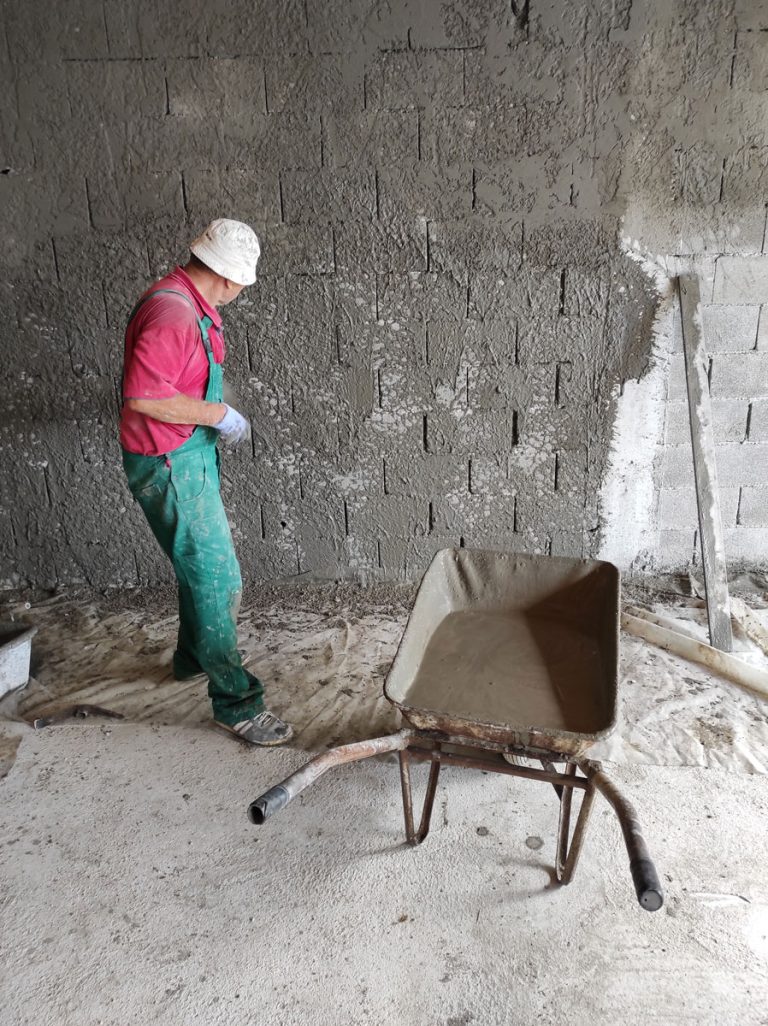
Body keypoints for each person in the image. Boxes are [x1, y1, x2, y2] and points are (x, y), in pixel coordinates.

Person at [120, 218, 292, 746]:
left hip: (184, 454)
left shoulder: (185, 300)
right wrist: (217, 412)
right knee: (219, 579)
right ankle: (236, 703)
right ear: (232, 278)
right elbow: (144, 398)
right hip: (171, 462)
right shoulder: (173, 313)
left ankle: (191, 659)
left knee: (197, 566)